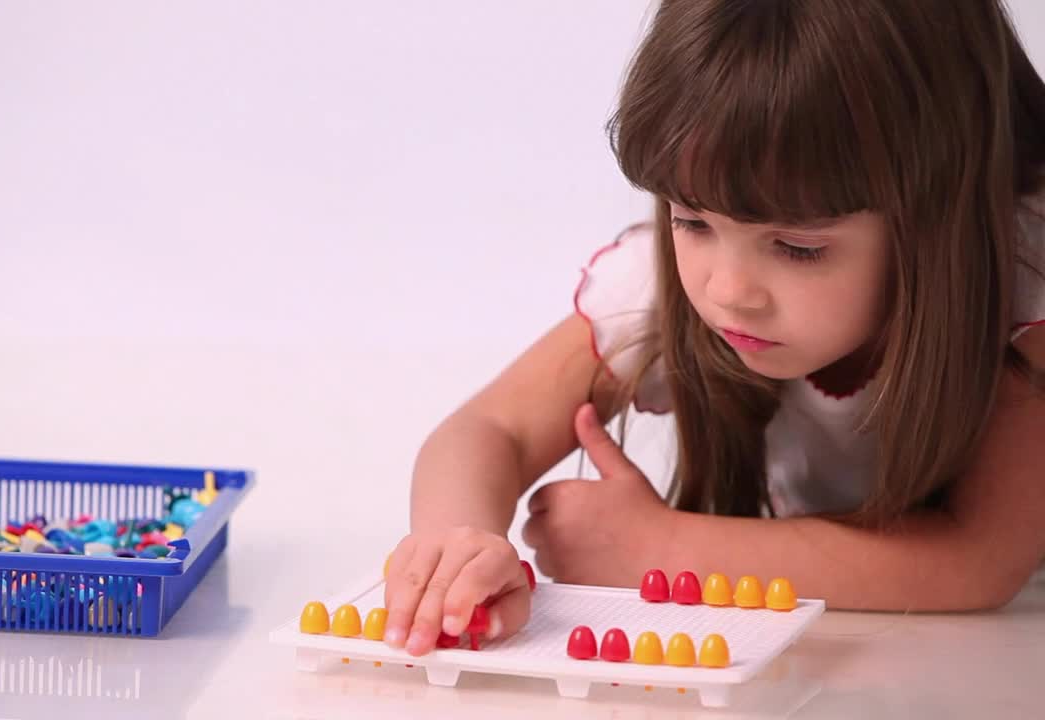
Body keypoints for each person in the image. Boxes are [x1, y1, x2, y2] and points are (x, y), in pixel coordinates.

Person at [381, 0, 1045, 657]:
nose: (728, 291)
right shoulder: (668, 283)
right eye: (692, 221)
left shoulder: (1023, 285)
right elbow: (489, 428)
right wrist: (458, 547)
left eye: (797, 246)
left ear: (940, 215)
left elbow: (980, 559)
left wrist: (658, 549)